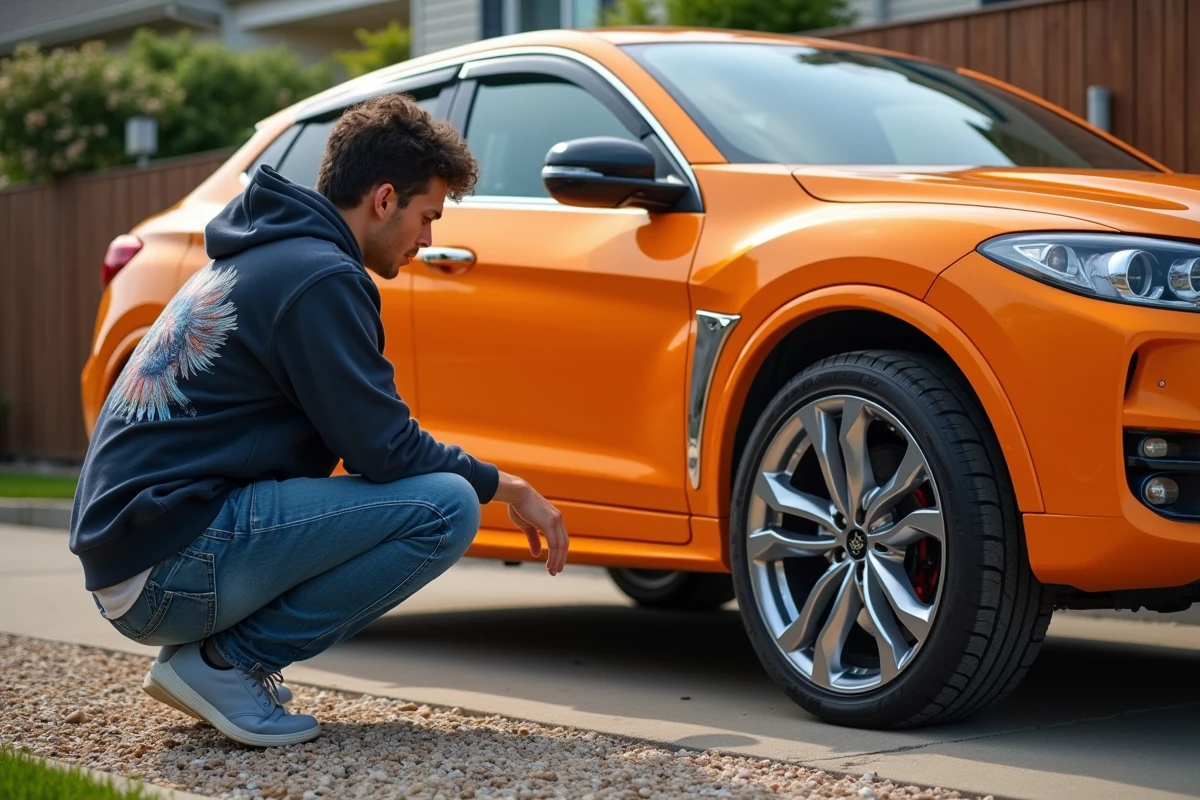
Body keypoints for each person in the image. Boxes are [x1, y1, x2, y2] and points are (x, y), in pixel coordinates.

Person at [68, 93, 569, 747]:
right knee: (446, 506)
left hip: (138, 556)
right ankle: (226, 665)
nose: (428, 239)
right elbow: (384, 451)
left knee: (433, 495)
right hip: (167, 566)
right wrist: (511, 487)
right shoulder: (319, 277)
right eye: (427, 217)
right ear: (384, 199)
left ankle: (212, 662)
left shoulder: (261, 256)